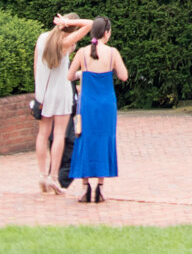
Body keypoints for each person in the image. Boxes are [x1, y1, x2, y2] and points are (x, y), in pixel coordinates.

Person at [66, 17, 125, 205]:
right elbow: (123, 76)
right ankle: (100, 187)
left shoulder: (83, 53)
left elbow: (69, 76)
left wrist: (83, 73)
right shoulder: (112, 52)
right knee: (104, 140)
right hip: (107, 104)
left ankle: (85, 188)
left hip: (88, 104)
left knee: (85, 140)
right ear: (106, 33)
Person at [33, 15, 90, 196]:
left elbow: (36, 67)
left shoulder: (42, 38)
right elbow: (90, 24)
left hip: (43, 93)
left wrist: (38, 92)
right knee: (58, 135)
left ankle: (42, 174)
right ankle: (54, 176)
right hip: (61, 93)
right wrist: (71, 23)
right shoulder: (65, 42)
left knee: (42, 134)